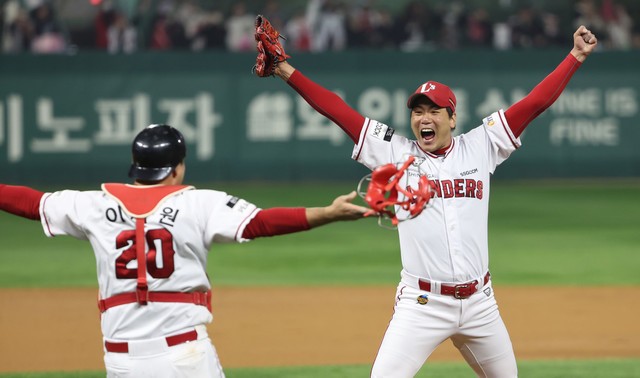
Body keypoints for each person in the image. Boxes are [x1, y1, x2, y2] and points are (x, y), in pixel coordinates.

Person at [259, 21, 597, 377]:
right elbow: (337, 110)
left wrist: (575, 56)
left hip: (481, 304)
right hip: (422, 304)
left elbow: (535, 103)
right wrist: (283, 69)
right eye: (418, 111)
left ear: (452, 118)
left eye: (434, 110)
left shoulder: (481, 145)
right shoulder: (393, 151)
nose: (424, 118)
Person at [0, 124, 368, 377]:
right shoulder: (198, 204)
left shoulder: (95, 204)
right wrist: (327, 213)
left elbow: (32, 203)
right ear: (177, 168)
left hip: (120, 360)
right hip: (184, 357)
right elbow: (260, 223)